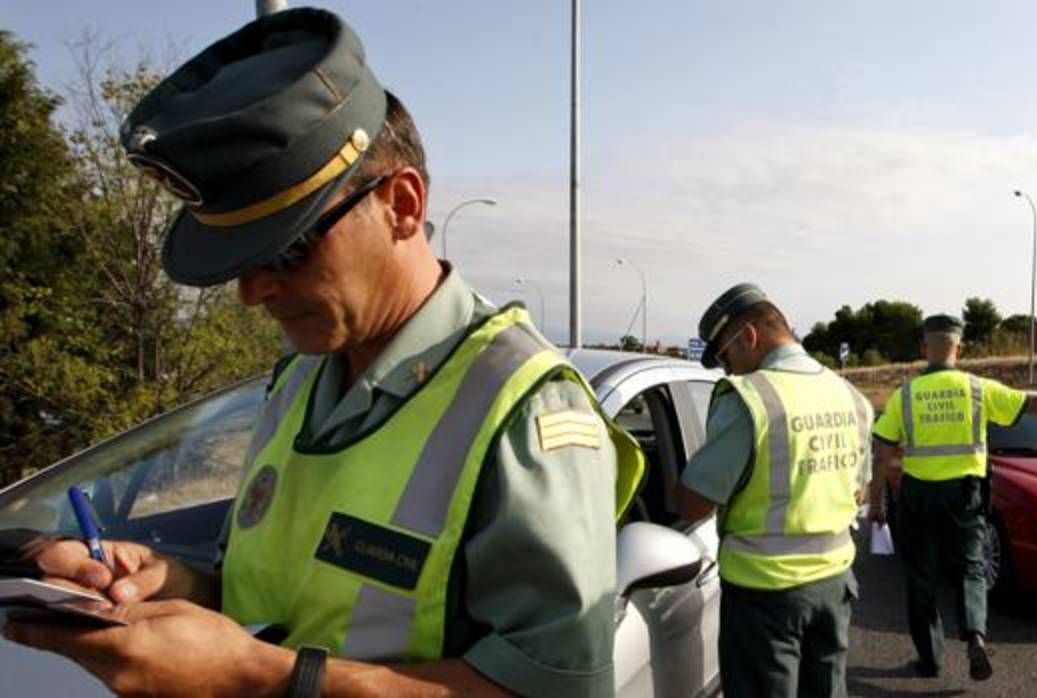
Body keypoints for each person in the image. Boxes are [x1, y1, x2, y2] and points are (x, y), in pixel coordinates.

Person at [4, 8, 643, 697]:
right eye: (239, 261)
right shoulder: (302, 378)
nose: (254, 293)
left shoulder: (524, 410)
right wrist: (171, 581)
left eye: (286, 249)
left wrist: (258, 677)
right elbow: (277, 601)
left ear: (401, 203)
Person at [868, 313, 1037, 682]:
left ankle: (929, 660)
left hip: (919, 497)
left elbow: (882, 455)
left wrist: (878, 507)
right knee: (971, 568)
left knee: (921, 579)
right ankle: (975, 635)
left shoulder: (906, 395)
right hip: (965, 496)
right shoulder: (979, 389)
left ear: (923, 347)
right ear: (959, 348)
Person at [674, 283, 873, 698]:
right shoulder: (851, 396)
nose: (729, 371)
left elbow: (694, 504)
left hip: (765, 597)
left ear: (748, 336)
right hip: (834, 586)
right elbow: (859, 493)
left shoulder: (750, 398)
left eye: (726, 357)